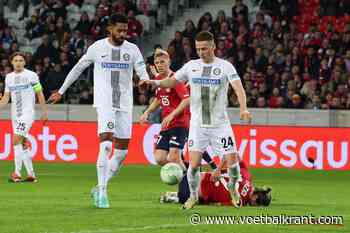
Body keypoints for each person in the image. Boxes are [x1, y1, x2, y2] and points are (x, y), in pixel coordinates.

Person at [48, 14, 149, 208]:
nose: (122, 34)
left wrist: (144, 82)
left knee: (121, 155)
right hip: (105, 102)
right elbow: (78, 68)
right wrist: (61, 91)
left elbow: (142, 73)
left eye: (125, 31)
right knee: (106, 146)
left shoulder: (133, 49)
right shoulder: (97, 48)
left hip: (125, 104)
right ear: (109, 29)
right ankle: (103, 193)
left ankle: (99, 187)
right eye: (119, 30)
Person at [140, 31, 251, 209]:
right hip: (198, 125)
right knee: (193, 165)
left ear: (213, 47)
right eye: (198, 49)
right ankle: (192, 197)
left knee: (233, 163)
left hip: (220, 125)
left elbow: (238, 89)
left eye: (205, 49)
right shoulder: (191, 66)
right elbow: (172, 82)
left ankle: (232, 187)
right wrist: (154, 83)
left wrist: (243, 108)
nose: (201, 52)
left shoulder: (225, 67)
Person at [140, 48, 217, 171]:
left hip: (180, 123)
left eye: (162, 62)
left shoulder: (176, 79)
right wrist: (147, 112)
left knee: (175, 157)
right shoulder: (159, 80)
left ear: (169, 62)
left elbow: (187, 99)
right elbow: (159, 99)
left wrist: (172, 115)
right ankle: (188, 171)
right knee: (160, 158)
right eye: (157, 63)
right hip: (166, 125)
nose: (160, 65)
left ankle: (188, 183)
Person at [0, 52, 48, 183]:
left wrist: (44, 111)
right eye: (15, 60)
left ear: (25, 62)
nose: (18, 62)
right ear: (12, 62)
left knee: (15, 140)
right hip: (14, 114)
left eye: (21, 60)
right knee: (23, 143)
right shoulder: (8, 77)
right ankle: (31, 175)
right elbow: (5, 98)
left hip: (27, 114)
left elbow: (40, 94)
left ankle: (16, 173)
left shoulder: (31, 75)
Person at [160, 161, 272, 207]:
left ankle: (174, 194)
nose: (255, 205)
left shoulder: (247, 176)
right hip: (202, 189)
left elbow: (237, 158)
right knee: (191, 199)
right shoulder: (241, 201)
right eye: (257, 203)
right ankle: (175, 197)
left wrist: (220, 167)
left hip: (203, 176)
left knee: (187, 168)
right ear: (256, 196)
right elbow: (219, 204)